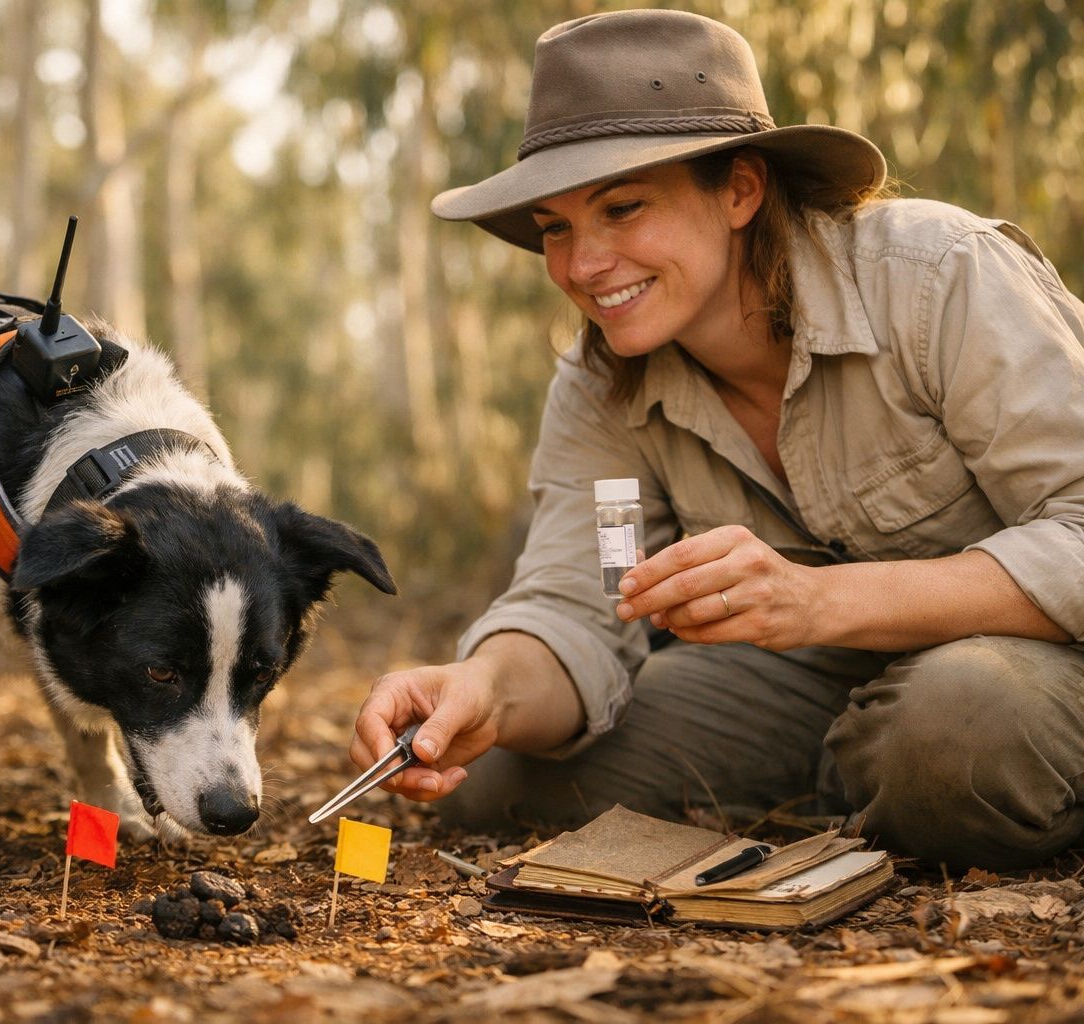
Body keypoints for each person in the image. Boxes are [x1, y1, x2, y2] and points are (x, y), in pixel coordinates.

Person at [347, 8, 1084, 870]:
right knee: (487, 774)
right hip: (807, 681)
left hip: (1027, 659)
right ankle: (868, 780)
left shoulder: (939, 277)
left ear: (739, 190)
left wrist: (818, 603)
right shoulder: (599, 384)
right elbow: (574, 604)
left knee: (959, 728)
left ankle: (910, 775)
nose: (583, 266)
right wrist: (483, 689)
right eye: (556, 227)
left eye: (622, 208)